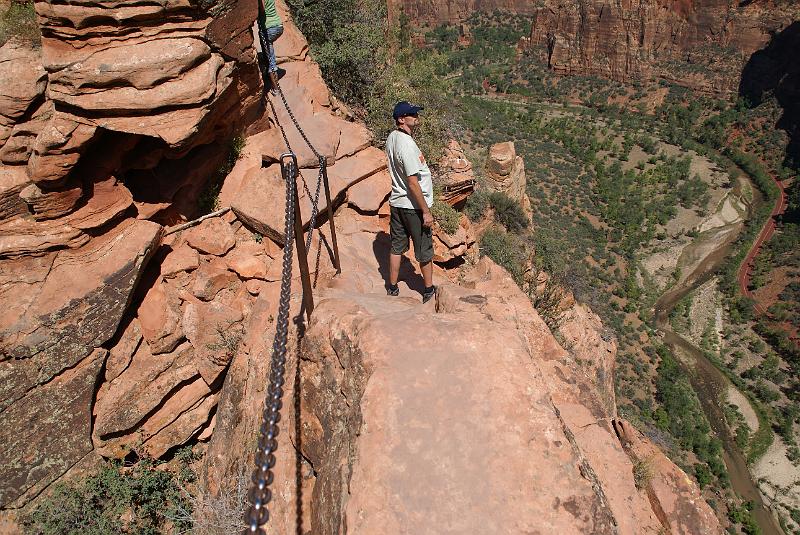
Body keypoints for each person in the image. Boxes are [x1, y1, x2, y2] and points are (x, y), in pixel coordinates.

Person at [385, 101, 437, 303]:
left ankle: (392, 287)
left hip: (397, 202)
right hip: (413, 207)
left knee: (396, 246)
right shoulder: (406, 144)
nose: (416, 116)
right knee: (423, 249)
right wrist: (425, 211)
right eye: (412, 114)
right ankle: (428, 290)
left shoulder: (392, 137)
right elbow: (413, 182)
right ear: (401, 119)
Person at [258, 0, 283, 93]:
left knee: (271, 60)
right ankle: (269, 74)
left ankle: (276, 89)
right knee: (268, 53)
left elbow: (262, 9)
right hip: (278, 25)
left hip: (269, 28)